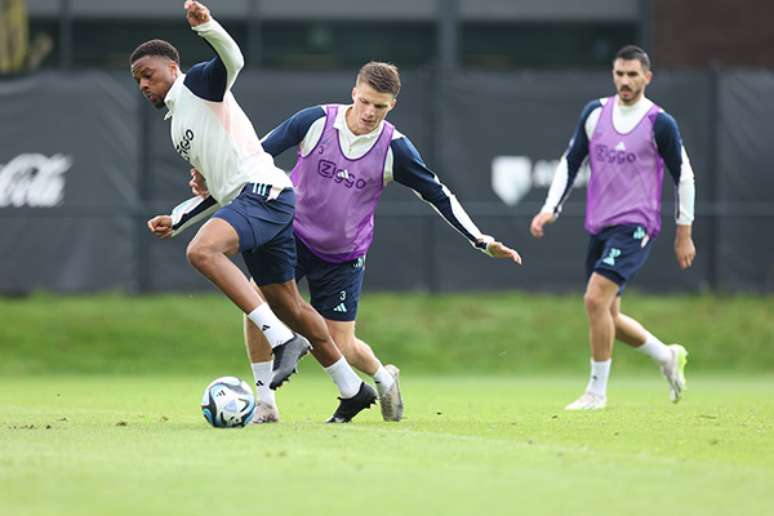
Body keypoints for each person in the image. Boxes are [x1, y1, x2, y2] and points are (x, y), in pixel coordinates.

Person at [191, 61, 522, 423]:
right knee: (257, 302)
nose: (369, 112)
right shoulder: (314, 121)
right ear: (354, 92)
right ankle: (266, 402)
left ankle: (383, 376)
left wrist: (480, 239)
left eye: (379, 106)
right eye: (364, 101)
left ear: (392, 104)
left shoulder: (396, 149)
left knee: (340, 346)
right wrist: (209, 180)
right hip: (291, 235)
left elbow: (438, 194)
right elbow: (254, 157)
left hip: (342, 257)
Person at [131, 0, 375, 423]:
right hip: (256, 199)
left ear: (172, 68)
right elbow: (219, 188)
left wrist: (207, 26)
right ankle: (351, 389)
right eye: (137, 81)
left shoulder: (198, 86)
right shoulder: (177, 123)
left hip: (264, 194)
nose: (143, 85)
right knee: (290, 304)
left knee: (202, 253)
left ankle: (282, 340)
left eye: (147, 75)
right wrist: (180, 217)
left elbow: (233, 58)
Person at [530, 45, 696, 411]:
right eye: (620, 74)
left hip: (636, 224)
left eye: (633, 74)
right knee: (609, 315)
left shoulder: (659, 122)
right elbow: (571, 161)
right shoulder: (595, 113)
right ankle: (666, 355)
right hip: (601, 224)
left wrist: (683, 231)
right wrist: (549, 209)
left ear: (647, 78)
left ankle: (596, 393)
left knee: (593, 300)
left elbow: (683, 176)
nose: (625, 81)